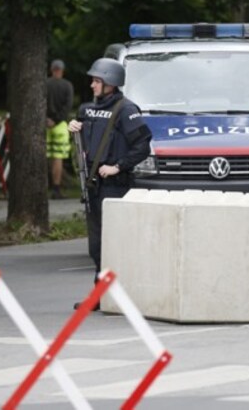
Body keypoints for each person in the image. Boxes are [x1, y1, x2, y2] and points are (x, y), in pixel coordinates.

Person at [68, 58, 152, 310]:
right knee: (97, 246)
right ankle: (99, 294)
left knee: (116, 243)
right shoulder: (87, 109)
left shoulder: (127, 110)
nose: (92, 85)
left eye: (97, 81)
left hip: (116, 185)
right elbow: (89, 140)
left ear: (111, 83)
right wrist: (75, 127)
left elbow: (143, 145)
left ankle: (121, 295)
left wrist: (117, 166)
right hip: (94, 186)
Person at [46, 59, 74, 199]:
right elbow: (68, 106)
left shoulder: (45, 84)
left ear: (51, 69)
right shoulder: (67, 85)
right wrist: (57, 120)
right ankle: (56, 188)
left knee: (45, 156)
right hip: (60, 126)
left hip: (43, 125)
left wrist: (46, 119)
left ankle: (44, 185)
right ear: (62, 70)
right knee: (58, 158)